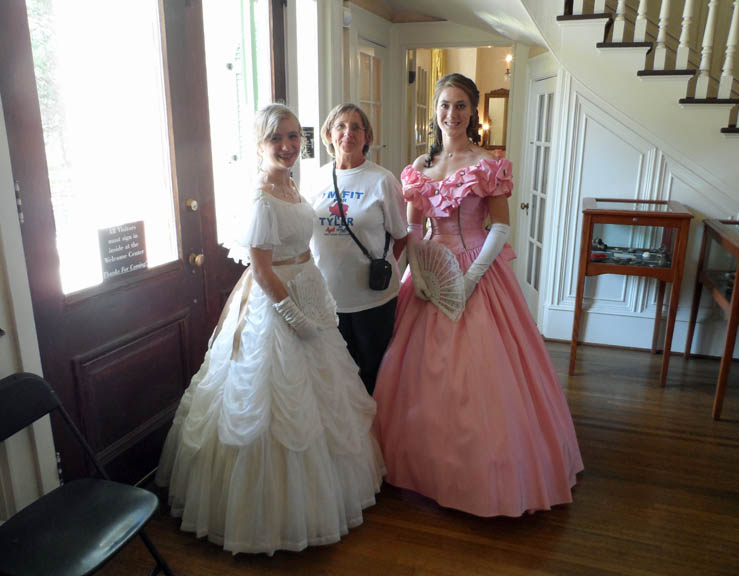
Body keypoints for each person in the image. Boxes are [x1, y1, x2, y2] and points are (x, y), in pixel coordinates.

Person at [155, 104, 385, 555]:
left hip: (307, 287)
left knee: (324, 397)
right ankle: (265, 516)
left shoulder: (293, 184)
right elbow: (260, 270)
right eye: (276, 138)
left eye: (293, 136)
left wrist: (312, 302)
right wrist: (293, 315)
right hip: (275, 300)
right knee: (270, 405)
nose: (287, 146)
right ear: (260, 144)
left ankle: (321, 497)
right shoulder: (262, 196)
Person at [373, 74, 583, 517]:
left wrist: (469, 280)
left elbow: (501, 227)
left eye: (461, 105)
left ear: (473, 112)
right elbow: (413, 227)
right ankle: (420, 467)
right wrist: (418, 274)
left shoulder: (488, 164)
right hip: (429, 272)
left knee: (482, 375)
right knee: (414, 374)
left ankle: (482, 475)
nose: (452, 114)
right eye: (445, 105)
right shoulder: (420, 166)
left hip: (476, 268)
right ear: (435, 110)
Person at [310, 103, 407, 395]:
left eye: (356, 127)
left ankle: (374, 424)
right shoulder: (316, 179)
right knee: (335, 376)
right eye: (340, 126)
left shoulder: (382, 180)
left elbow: (401, 234)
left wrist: (383, 265)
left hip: (373, 301)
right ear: (329, 134)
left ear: (367, 137)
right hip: (327, 300)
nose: (347, 133)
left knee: (372, 374)